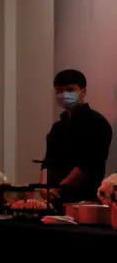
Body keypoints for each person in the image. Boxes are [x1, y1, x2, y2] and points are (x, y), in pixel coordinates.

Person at [40, 69, 113, 204]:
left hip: (86, 201)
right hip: (55, 201)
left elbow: (88, 164)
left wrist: (59, 188)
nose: (64, 94)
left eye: (70, 90)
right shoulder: (57, 127)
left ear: (83, 91)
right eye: (59, 90)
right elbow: (47, 161)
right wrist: (44, 187)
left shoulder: (97, 123)